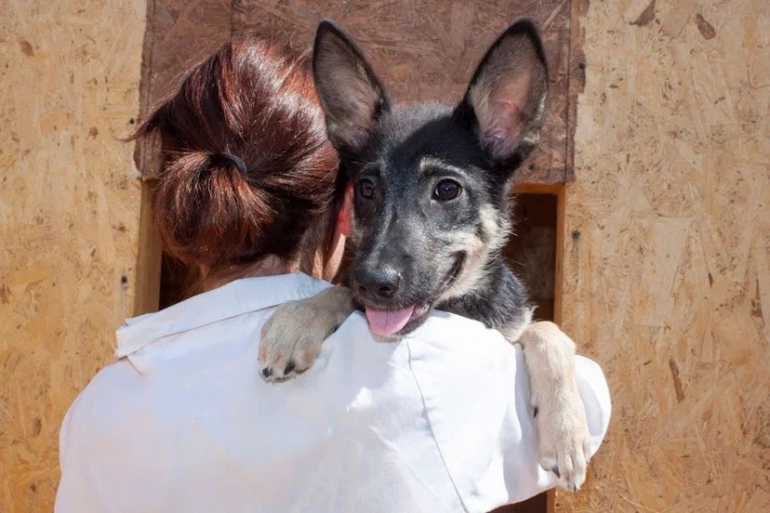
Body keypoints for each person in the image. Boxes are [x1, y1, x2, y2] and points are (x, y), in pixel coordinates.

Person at [55, 35, 610, 512]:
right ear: (348, 208)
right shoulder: (435, 374)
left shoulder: (98, 410)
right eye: (371, 190)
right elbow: (588, 410)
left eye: (444, 191)